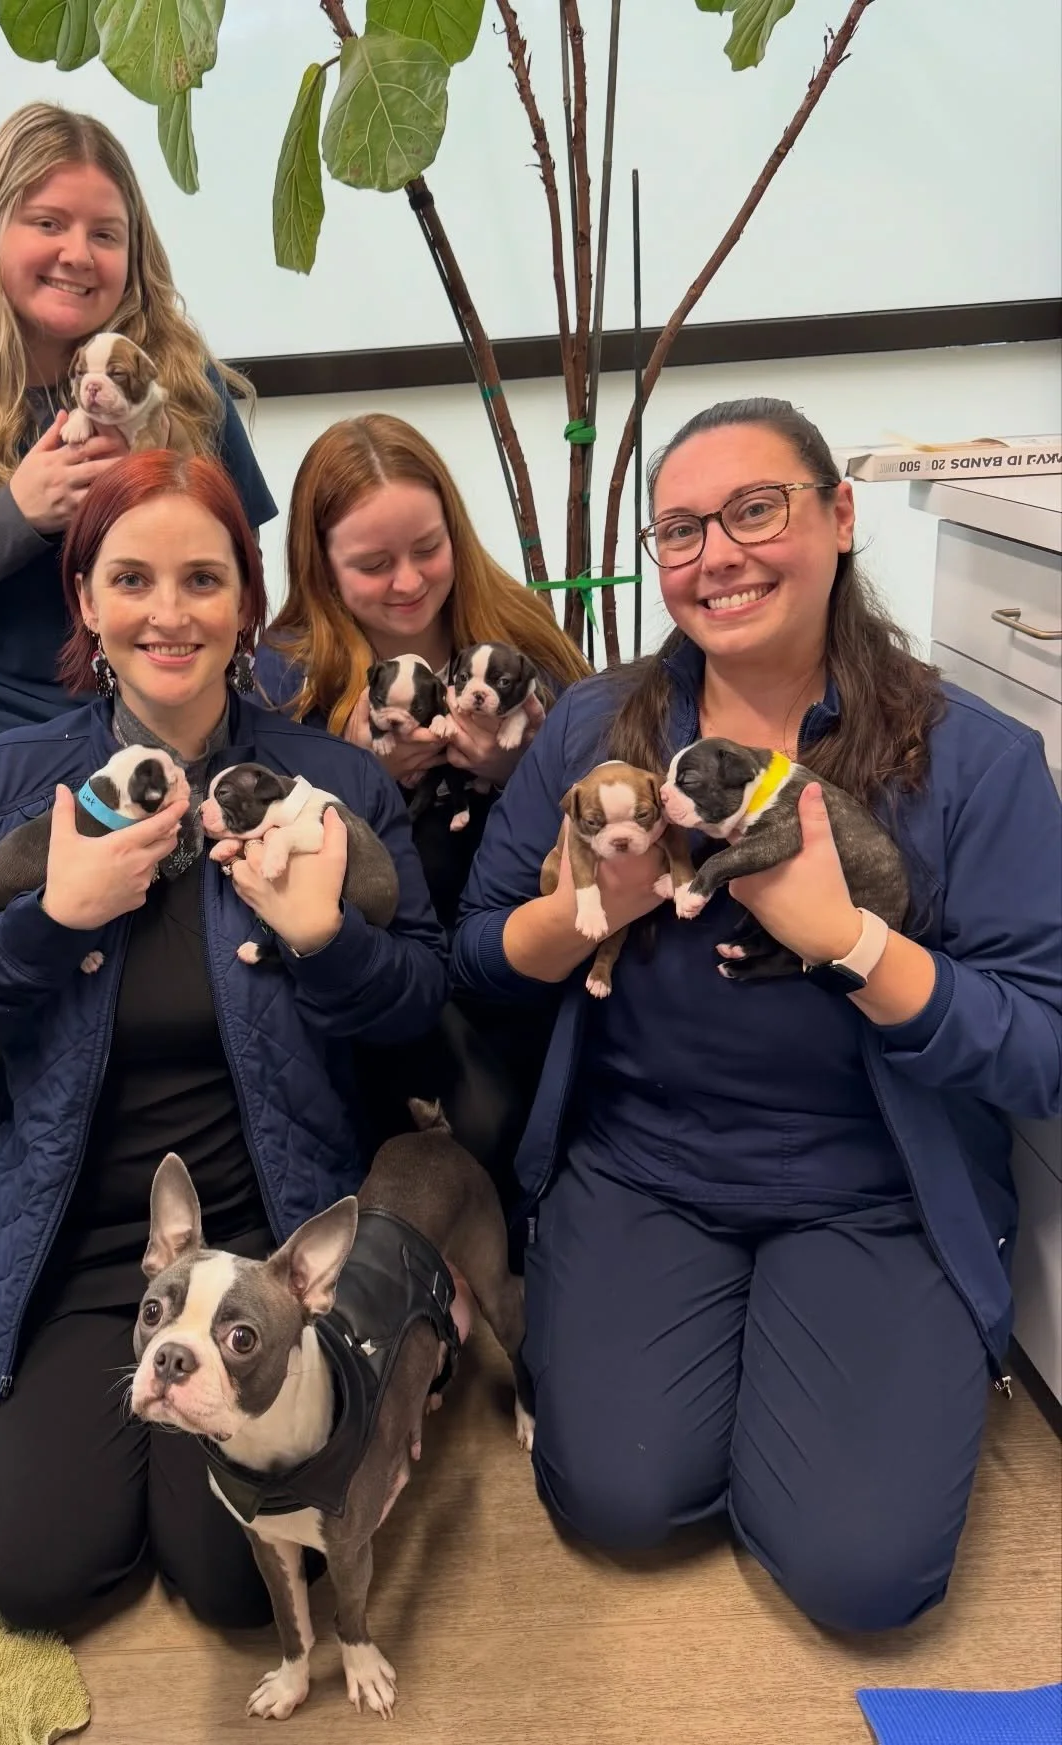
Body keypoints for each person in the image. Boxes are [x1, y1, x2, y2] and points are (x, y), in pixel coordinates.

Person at [453, 397, 1062, 1633]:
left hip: (872, 1186)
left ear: (840, 516)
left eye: (754, 510)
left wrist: (845, 939)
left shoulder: (973, 759)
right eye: (679, 530)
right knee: (618, 1499)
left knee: (864, 1575)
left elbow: (1038, 1045)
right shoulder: (597, 725)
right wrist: (587, 911)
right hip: (642, 1167)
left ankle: (861, 1372)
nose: (715, 554)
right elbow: (475, 959)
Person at [0, 449, 446, 1633]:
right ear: (85, 598)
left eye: (203, 578)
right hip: (73, 1237)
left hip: (268, 1240)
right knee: (40, 1575)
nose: (169, 613)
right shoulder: (7, 780)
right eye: (131, 579)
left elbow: (421, 1010)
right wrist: (51, 921)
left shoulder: (327, 783)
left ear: (248, 598)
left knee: (240, 1582)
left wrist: (326, 940)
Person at [0, 101, 276, 1378]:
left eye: (107, 231)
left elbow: (243, 562)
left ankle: (229, 1168)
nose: (79, 252)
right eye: (48, 222)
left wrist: (153, 486)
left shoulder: (180, 378)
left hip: (137, 702)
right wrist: (23, 508)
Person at [252, 414, 591, 1188]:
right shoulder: (286, 679)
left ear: (457, 535)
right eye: (373, 564)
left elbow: (605, 791)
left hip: (523, 957)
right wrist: (374, 786)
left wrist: (520, 778)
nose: (407, 582)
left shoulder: (522, 640)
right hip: (377, 977)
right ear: (322, 566)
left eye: (427, 550)